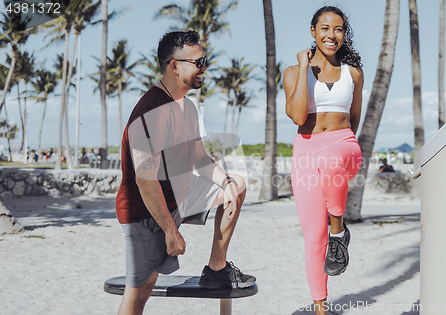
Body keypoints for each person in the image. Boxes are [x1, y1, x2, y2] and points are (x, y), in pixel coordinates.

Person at [115, 30, 255, 315]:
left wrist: (226, 182)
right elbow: (145, 181)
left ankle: (217, 269)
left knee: (237, 185)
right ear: (174, 65)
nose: (205, 67)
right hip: (145, 213)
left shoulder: (187, 108)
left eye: (205, 60)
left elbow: (200, 159)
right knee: (139, 294)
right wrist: (170, 231)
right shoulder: (150, 111)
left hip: (179, 195)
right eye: (198, 61)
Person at [283, 6, 363, 314]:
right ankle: (320, 306)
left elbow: (354, 119)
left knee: (331, 159)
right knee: (314, 237)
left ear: (344, 34)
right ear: (313, 31)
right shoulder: (293, 72)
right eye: (326, 28)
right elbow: (298, 116)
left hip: (343, 145)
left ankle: (339, 231)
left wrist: (343, 147)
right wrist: (304, 68)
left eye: (339, 29)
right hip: (305, 151)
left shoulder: (353, 73)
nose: (332, 35)